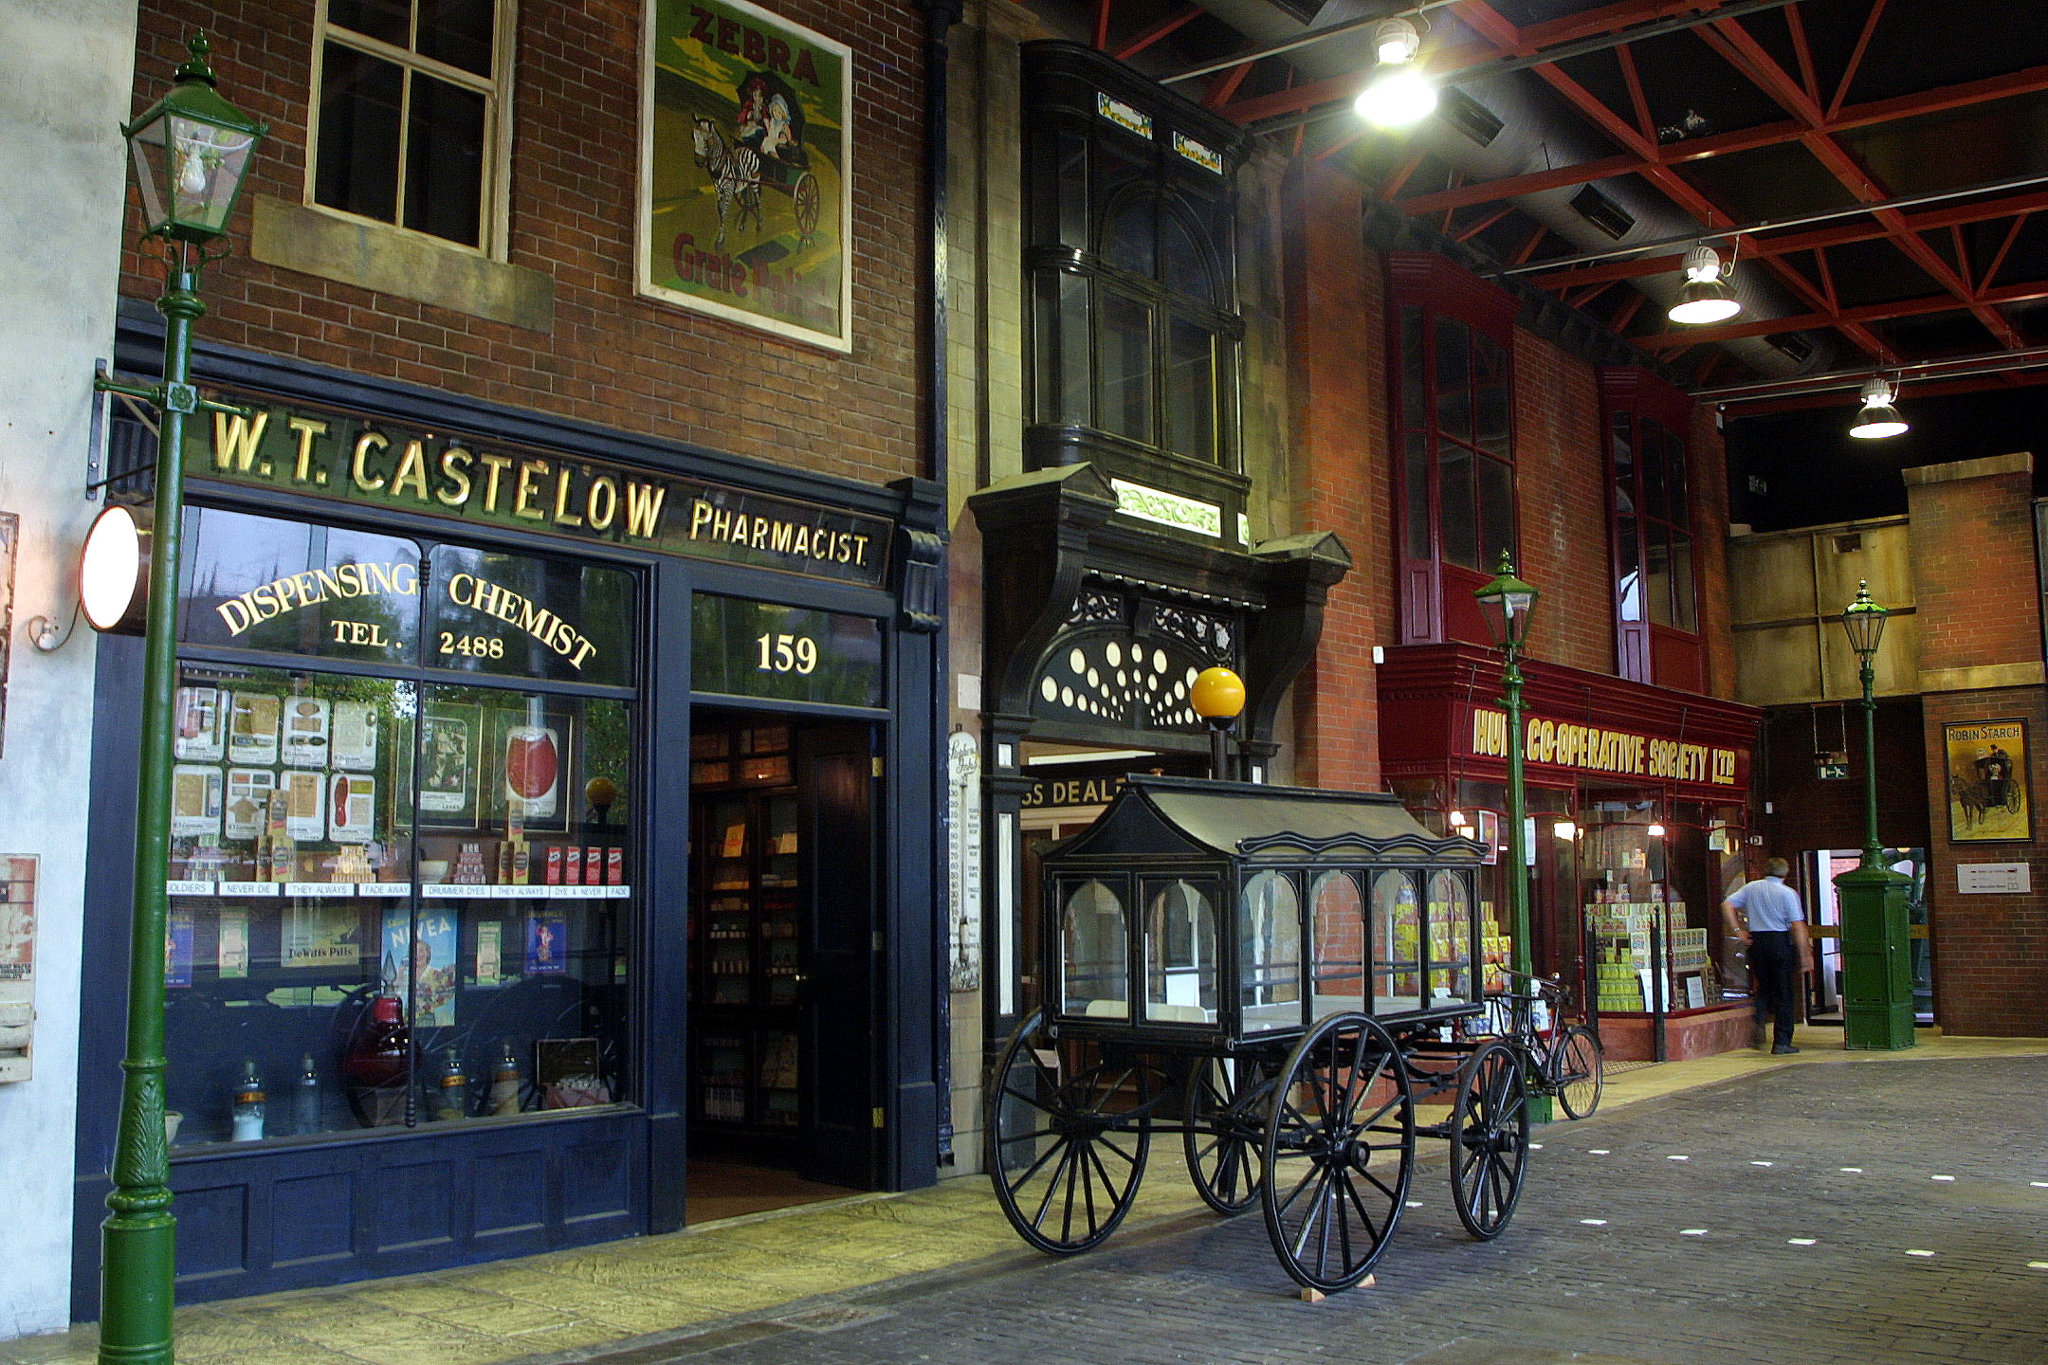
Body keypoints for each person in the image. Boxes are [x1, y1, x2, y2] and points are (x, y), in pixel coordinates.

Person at [1723, 856, 1811, 1055]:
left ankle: (1759, 1023)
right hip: (1780, 942)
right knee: (1784, 992)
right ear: (1785, 873)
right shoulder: (1787, 893)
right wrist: (1805, 954)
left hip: (1757, 942)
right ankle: (1782, 1041)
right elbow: (1798, 926)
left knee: (1762, 987)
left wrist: (1738, 931)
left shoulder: (1751, 888)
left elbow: (1727, 905)